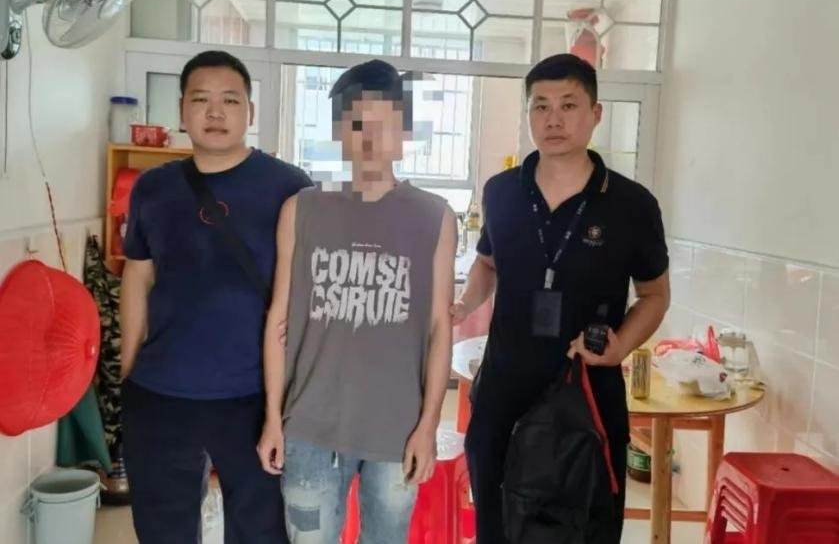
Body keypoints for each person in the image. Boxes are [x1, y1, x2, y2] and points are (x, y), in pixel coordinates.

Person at [452, 53, 671, 543]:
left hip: (587, 396)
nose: (554, 119)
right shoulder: (501, 192)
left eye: (569, 105)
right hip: (503, 392)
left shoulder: (632, 204)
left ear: (595, 113)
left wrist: (620, 346)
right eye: (541, 106)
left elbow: (655, 295)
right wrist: (465, 304)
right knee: (497, 525)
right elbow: (487, 263)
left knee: (584, 528)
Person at [257, 59, 457, 543]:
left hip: (396, 430)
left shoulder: (434, 216)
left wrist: (428, 425)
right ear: (338, 132)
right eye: (357, 125)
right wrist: (273, 418)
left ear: (404, 133)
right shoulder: (301, 209)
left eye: (384, 125)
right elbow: (278, 318)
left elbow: (439, 327)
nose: (370, 140)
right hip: (309, 426)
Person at [120, 50, 311, 544]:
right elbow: (138, 277)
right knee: (164, 529)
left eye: (230, 99)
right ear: (182, 111)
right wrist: (129, 369)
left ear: (250, 111)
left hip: (254, 394)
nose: (215, 111)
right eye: (200, 99)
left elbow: (307, 289)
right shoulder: (153, 188)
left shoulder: (289, 186)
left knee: (260, 530)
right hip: (162, 391)